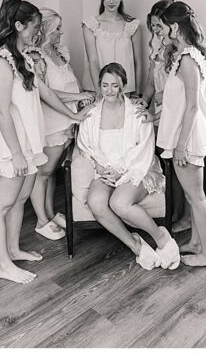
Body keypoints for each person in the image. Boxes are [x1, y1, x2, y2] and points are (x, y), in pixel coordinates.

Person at [0, 0, 93, 284]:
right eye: (35, 27)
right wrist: (16, 153)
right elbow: (3, 113)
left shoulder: (24, 60)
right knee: (0, 206)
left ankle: (14, 249)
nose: (39, 33)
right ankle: (3, 264)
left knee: (19, 201)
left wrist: (75, 117)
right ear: (18, 25)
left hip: (29, 145)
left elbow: (46, 93)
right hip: (10, 149)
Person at [77, 63, 177, 270]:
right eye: (105, 85)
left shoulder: (137, 112)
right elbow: (85, 146)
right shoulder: (92, 114)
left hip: (137, 169)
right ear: (99, 86)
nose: (109, 90)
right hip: (105, 170)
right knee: (95, 202)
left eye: (115, 85)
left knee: (119, 203)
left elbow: (144, 150)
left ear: (123, 84)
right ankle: (136, 246)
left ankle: (161, 238)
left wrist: (121, 171)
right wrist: (101, 167)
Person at [24, 9, 95, 241]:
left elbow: (68, 82)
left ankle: (50, 212)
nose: (61, 33)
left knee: (52, 171)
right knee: (43, 172)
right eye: (57, 29)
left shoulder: (59, 52)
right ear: (44, 30)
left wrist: (80, 98)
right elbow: (46, 94)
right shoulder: (36, 58)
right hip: (52, 122)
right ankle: (41, 221)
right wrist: (77, 98)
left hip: (67, 119)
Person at [156, 0, 206, 267]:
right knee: (193, 196)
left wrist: (180, 146)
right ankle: (195, 242)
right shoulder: (184, 55)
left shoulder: (189, 59)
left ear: (175, 27)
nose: (160, 32)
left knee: (196, 197)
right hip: (185, 135)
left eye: (163, 27)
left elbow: (192, 107)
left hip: (188, 139)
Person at [141, 0, 191, 233]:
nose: (155, 31)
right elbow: (152, 81)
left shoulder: (179, 51)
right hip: (159, 114)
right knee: (166, 166)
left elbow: (179, 89)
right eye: (152, 27)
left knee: (181, 169)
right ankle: (170, 211)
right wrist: (145, 99)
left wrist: (163, 97)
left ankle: (185, 216)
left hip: (175, 115)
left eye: (158, 26)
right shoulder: (155, 46)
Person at [83, 0, 145, 94]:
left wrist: (137, 93)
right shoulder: (90, 26)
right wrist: (99, 92)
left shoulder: (133, 25)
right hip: (98, 90)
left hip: (125, 90)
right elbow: (93, 61)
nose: (111, 1)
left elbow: (138, 62)